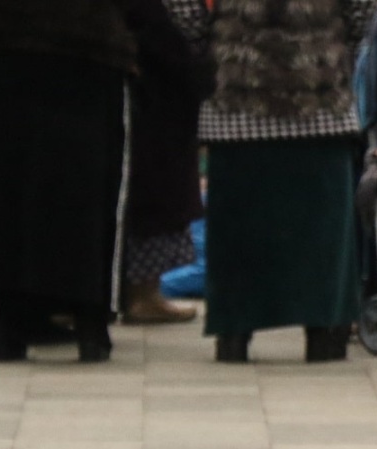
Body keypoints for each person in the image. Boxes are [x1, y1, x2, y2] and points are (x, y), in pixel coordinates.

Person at [0, 0, 192, 362]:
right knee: (88, 192)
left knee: (3, 190)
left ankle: (1, 325)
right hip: (86, 47)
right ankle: (90, 322)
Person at [201, 0, 372, 363]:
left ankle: (234, 332)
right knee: (323, 237)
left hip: (235, 112)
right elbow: (364, 17)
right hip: (320, 110)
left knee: (238, 236)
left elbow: (185, 18)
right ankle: (325, 332)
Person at [122, 0, 217, 325]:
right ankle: (142, 294)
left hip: (137, 82)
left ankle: (133, 291)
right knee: (156, 194)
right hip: (157, 88)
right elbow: (187, 25)